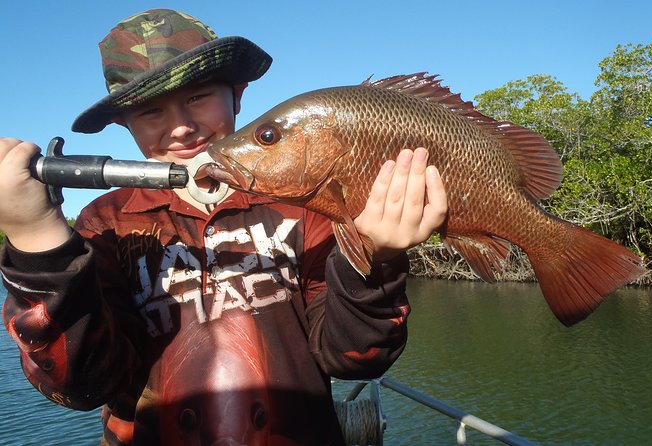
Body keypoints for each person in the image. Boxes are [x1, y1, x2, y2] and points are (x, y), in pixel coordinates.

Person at [0, 9, 447, 445]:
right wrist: (36, 236)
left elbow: (354, 359)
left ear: (238, 93)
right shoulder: (106, 221)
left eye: (197, 97)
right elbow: (81, 385)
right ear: (124, 124)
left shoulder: (307, 205)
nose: (181, 127)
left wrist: (374, 256)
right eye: (150, 112)